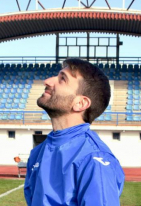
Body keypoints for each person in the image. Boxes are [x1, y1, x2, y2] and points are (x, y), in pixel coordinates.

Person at [24, 59, 125, 206]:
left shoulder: (93, 158)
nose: (47, 81)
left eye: (62, 79)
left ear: (80, 103)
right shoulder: (38, 152)